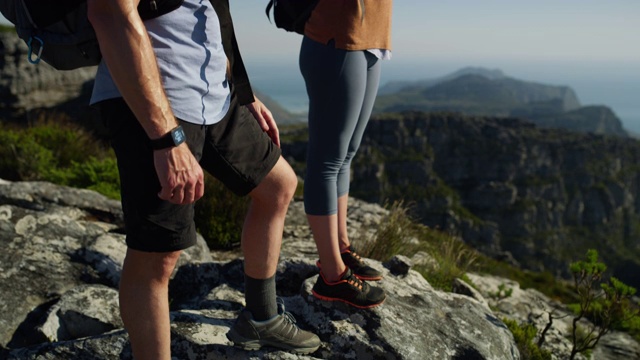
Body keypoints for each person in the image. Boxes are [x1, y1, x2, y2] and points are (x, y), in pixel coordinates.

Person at [86, 0, 320, 358]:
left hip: (215, 94)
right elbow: (109, 13)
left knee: (277, 186)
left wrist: (245, 92)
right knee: (158, 254)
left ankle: (261, 318)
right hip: (154, 103)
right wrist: (166, 138)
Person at [299, 0, 393, 308]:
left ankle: (340, 247)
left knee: (346, 154)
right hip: (337, 36)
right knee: (327, 160)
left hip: (373, 39)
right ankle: (332, 274)